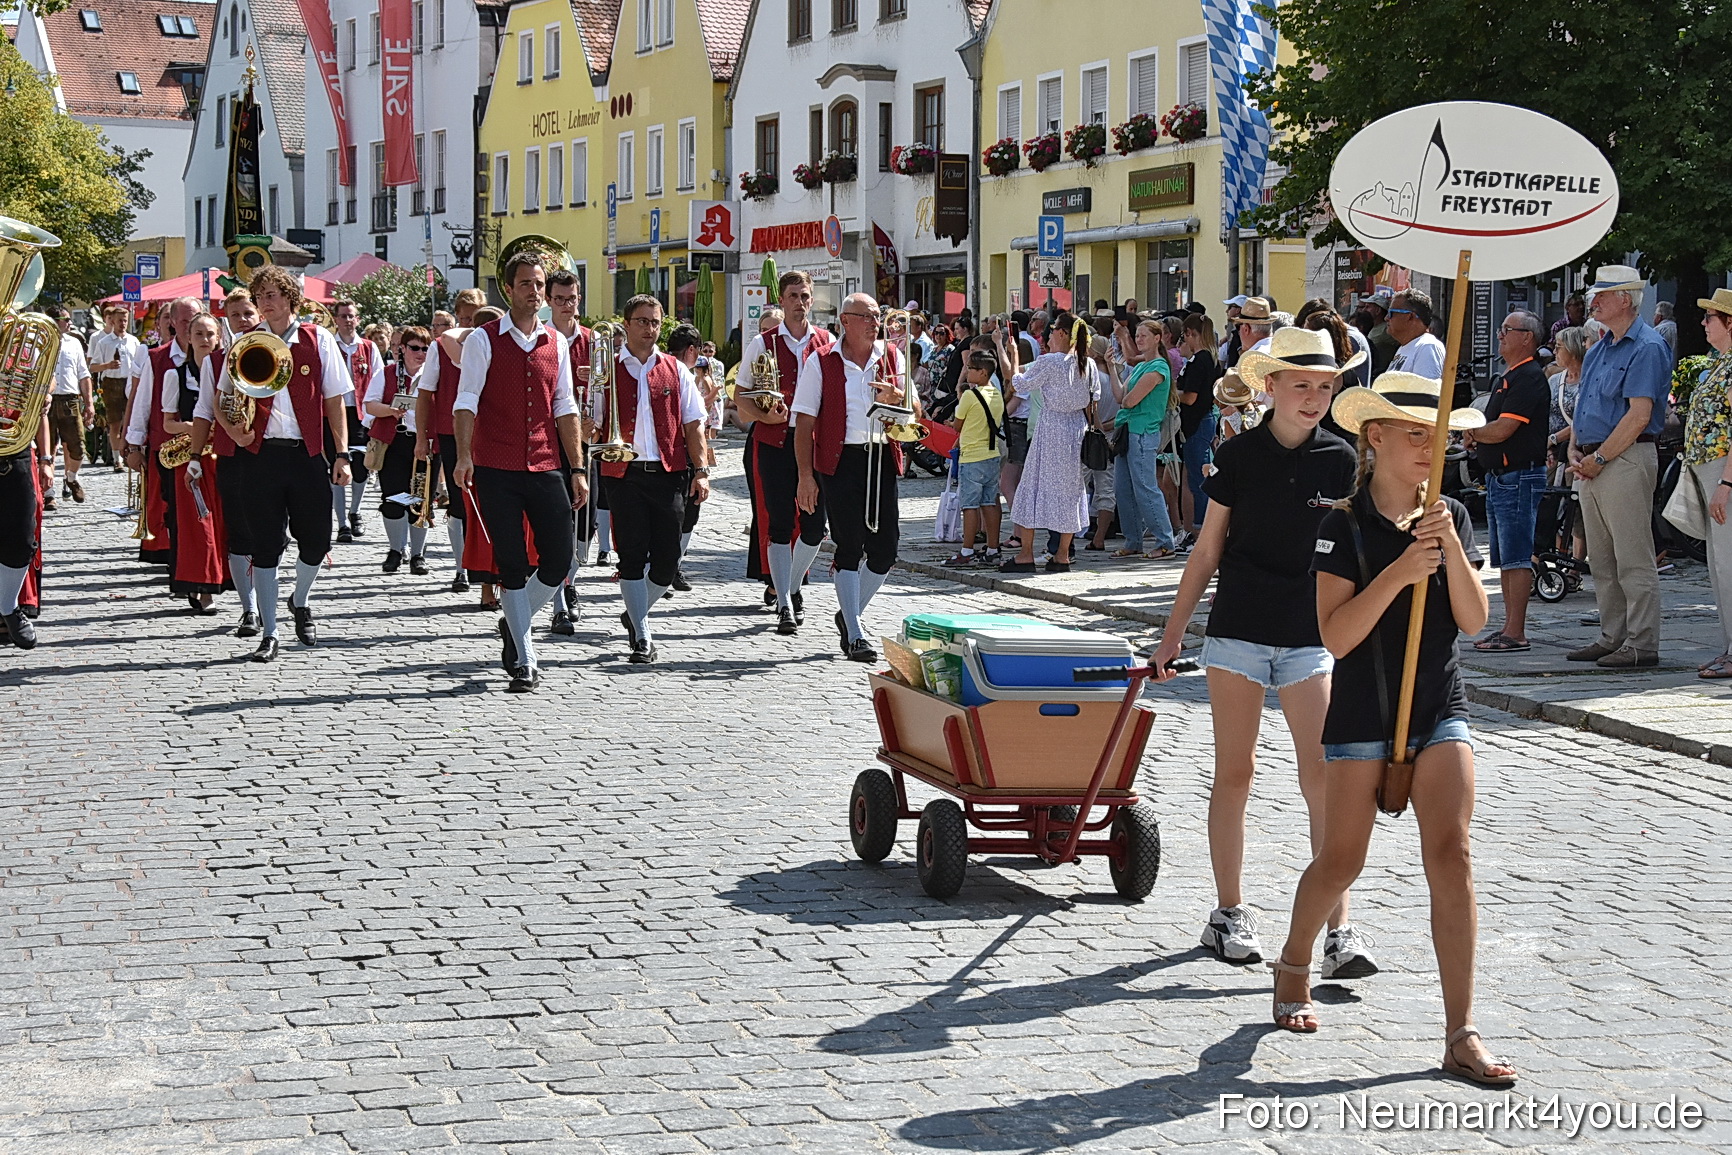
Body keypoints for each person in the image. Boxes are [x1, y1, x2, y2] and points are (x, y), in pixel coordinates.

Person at [1267, 372, 1515, 1091]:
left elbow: (1473, 622)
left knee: (1454, 852)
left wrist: (1448, 552)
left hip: (1440, 704)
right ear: (1375, 437)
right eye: (1417, 434)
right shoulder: (1338, 527)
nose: (1431, 448)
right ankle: (1292, 960)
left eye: (1439, 436)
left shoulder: (1452, 516)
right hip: (1361, 714)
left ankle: (1460, 1032)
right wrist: (1402, 570)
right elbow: (1337, 636)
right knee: (1341, 861)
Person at [1152, 327, 1373, 977]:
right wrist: (1173, 634)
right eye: (1300, 384)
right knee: (1237, 771)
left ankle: (1339, 928)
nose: (1312, 397)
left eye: (1324, 386)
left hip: (1310, 639)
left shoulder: (1342, 460)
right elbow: (1207, 550)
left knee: (1323, 777)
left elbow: (1361, 555)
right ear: (1270, 386)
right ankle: (1229, 911)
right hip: (1239, 633)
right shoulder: (1241, 456)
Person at [453, 253, 587, 689]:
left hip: (545, 460)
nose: (533, 291)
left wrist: (577, 466)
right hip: (496, 464)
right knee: (510, 562)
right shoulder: (483, 339)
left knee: (559, 559)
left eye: (538, 284)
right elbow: (466, 400)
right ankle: (525, 659)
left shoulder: (557, 343)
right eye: (525, 283)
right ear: (509, 289)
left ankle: (514, 622)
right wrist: (463, 456)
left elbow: (565, 404)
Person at [219, 268, 353, 661]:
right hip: (259, 456)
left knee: (316, 541)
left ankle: (300, 597)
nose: (266, 300)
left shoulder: (318, 338)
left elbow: (334, 400)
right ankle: (271, 631)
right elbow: (220, 397)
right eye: (261, 294)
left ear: (291, 298)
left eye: (274, 293)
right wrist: (235, 432)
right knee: (265, 545)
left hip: (306, 454)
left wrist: (341, 454)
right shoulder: (245, 343)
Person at [793, 293, 912, 660]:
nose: (876, 322)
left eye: (878, 315)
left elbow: (914, 412)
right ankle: (855, 634)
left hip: (881, 456)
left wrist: (898, 397)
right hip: (840, 459)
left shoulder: (892, 355)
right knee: (849, 544)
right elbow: (805, 420)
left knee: (886, 549)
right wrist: (805, 476)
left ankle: (848, 614)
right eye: (867, 316)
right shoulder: (822, 361)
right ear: (846, 320)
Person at [1568, 265, 1674, 668]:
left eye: (1602, 295)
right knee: (1602, 557)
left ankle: (1642, 643)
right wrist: (1575, 452)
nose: (1593, 302)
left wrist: (1597, 458)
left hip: (1624, 457)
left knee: (1632, 556)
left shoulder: (1646, 346)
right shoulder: (1599, 347)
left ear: (1625, 299)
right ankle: (1614, 635)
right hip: (1596, 459)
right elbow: (1584, 407)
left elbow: (1638, 416)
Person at [596, 294, 708, 664]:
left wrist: (702, 470)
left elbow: (693, 424)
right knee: (631, 553)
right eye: (642, 321)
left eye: (656, 322)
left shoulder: (675, 369)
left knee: (667, 559)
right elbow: (590, 424)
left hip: (668, 473)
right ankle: (641, 635)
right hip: (623, 473)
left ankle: (635, 610)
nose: (650, 329)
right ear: (626, 324)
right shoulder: (607, 369)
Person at [738, 271, 835, 635]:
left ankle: (791, 587)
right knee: (778, 525)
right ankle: (784, 603)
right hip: (775, 444)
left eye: (805, 296)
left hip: (814, 445)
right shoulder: (762, 343)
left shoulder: (827, 342)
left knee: (814, 528)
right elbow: (741, 396)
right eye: (793, 296)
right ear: (782, 300)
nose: (800, 302)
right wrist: (765, 414)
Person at [1467, 312, 1552, 653]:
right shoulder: (1509, 376)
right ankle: (1508, 627)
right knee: (1506, 557)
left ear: (1527, 338)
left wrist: (1473, 433)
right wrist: (1478, 436)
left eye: (1507, 330)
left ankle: (1516, 632)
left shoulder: (1529, 377)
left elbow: (1503, 429)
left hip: (1517, 476)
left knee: (1516, 556)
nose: (1499, 335)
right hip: (1502, 477)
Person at [186, 290, 263, 640]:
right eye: (236, 315)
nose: (243, 320)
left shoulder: (278, 353)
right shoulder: (215, 362)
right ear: (226, 320)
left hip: (271, 453)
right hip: (232, 455)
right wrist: (194, 458)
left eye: (249, 313)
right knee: (240, 532)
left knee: (272, 535)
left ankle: (268, 600)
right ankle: (249, 609)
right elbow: (204, 409)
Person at [997, 313, 1095, 574]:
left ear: (1062, 333)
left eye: (1052, 331)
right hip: (1076, 429)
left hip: (1052, 427)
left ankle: (1025, 553)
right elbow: (1093, 399)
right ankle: (1062, 554)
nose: (1048, 336)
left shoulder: (1050, 361)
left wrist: (1012, 351)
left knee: (1033, 487)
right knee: (1069, 491)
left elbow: (1018, 382)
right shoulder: (1088, 364)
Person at [417, 286, 486, 595]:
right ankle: (461, 567)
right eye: (465, 318)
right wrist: (422, 436)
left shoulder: (490, 341)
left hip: (488, 431)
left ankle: (485, 568)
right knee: (459, 503)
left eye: (477, 318)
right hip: (451, 429)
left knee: (485, 503)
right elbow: (425, 392)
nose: (471, 325)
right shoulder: (439, 347)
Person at [126, 296, 203, 564]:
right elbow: (142, 403)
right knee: (169, 506)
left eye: (193, 319)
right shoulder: (157, 358)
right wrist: (134, 445)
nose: (187, 325)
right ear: (172, 322)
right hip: (167, 447)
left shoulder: (217, 356)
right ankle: (178, 560)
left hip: (207, 449)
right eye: (182, 320)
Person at [162, 314, 230, 614]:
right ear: (188, 338)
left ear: (219, 338)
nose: (205, 339)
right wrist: (194, 427)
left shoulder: (230, 372)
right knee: (198, 525)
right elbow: (167, 424)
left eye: (211, 334)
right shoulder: (175, 375)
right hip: (192, 457)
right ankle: (202, 587)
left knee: (226, 523)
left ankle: (228, 578)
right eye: (198, 333)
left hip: (226, 455)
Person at [1683, 289, 1732, 678]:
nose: (1703, 322)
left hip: (1723, 473)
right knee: (1718, 565)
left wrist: (1727, 483)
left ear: (1729, 323)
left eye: (1710, 317)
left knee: (1728, 564)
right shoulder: (1721, 363)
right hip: (1709, 470)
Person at [544, 268, 594, 636]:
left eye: (572, 299)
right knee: (558, 520)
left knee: (586, 524)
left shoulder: (595, 341)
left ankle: (570, 580)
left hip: (585, 443)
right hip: (545, 443)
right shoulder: (539, 339)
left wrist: (600, 421)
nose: (566, 306)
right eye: (559, 299)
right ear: (549, 301)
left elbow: (610, 392)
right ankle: (560, 599)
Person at [362, 325, 432, 576]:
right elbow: (369, 405)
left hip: (424, 442)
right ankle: (395, 550)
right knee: (393, 499)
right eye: (415, 348)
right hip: (393, 442)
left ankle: (417, 554)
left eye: (425, 348)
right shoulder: (387, 372)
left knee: (419, 500)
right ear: (402, 349)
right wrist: (391, 411)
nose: (420, 353)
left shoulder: (433, 374)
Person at [1109, 320, 1178, 561]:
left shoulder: (1158, 368)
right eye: (1137, 335)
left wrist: (1126, 397)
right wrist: (1110, 366)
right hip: (1127, 432)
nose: (1139, 340)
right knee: (1123, 489)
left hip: (1142, 433)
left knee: (1146, 489)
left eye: (1143, 335)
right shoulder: (1142, 366)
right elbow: (1120, 396)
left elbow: (1129, 401)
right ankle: (1133, 540)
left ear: (1157, 338)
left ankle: (1165, 541)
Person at [942, 348, 1006, 568]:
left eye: (971, 368)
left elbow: (958, 424)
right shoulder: (996, 393)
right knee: (990, 503)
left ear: (982, 373)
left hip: (972, 455)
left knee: (969, 506)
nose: (967, 372)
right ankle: (993, 549)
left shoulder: (970, 395)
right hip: (992, 454)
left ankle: (967, 551)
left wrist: (951, 424)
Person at [330, 300, 381, 543]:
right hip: (335, 412)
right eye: (343, 316)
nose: (348, 320)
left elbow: (379, 379)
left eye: (351, 316)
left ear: (357, 319)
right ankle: (341, 523)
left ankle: (355, 510)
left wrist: (374, 414)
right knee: (337, 465)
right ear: (336, 319)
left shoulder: (368, 347)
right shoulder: (329, 345)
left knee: (361, 465)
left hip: (361, 413)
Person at [1175, 313, 1219, 536]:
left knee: (1198, 480)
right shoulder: (1205, 359)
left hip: (1198, 422)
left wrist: (1172, 394)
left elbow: (1191, 397)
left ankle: (1201, 530)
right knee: (1191, 478)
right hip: (1197, 422)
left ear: (1191, 334)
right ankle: (1193, 529)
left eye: (1185, 336)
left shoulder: (1201, 360)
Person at [44, 307, 93, 506]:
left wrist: (89, 403)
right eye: (65, 319)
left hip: (70, 400)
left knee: (78, 448)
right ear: (55, 321)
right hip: (46, 400)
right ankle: (49, 493)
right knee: (47, 449)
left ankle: (71, 478)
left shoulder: (74, 343)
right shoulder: (41, 342)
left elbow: (84, 374)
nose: (69, 322)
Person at [89, 305, 142, 473]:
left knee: (131, 421)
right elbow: (93, 366)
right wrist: (108, 365)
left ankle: (128, 454)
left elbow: (140, 364)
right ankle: (116, 459)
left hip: (129, 382)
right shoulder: (104, 342)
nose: (122, 324)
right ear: (112, 321)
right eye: (119, 320)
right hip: (111, 383)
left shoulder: (133, 341)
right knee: (114, 423)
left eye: (125, 320)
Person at [1385, 290, 1445, 379]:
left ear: (1410, 316)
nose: (1386, 318)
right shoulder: (1406, 347)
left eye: (1391, 313)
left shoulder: (1427, 347)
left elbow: (1426, 390)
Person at [1362, 289, 1397, 378]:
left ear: (1377, 310)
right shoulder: (1372, 328)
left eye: (1368, 307)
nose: (1364, 310)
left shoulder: (1387, 329)